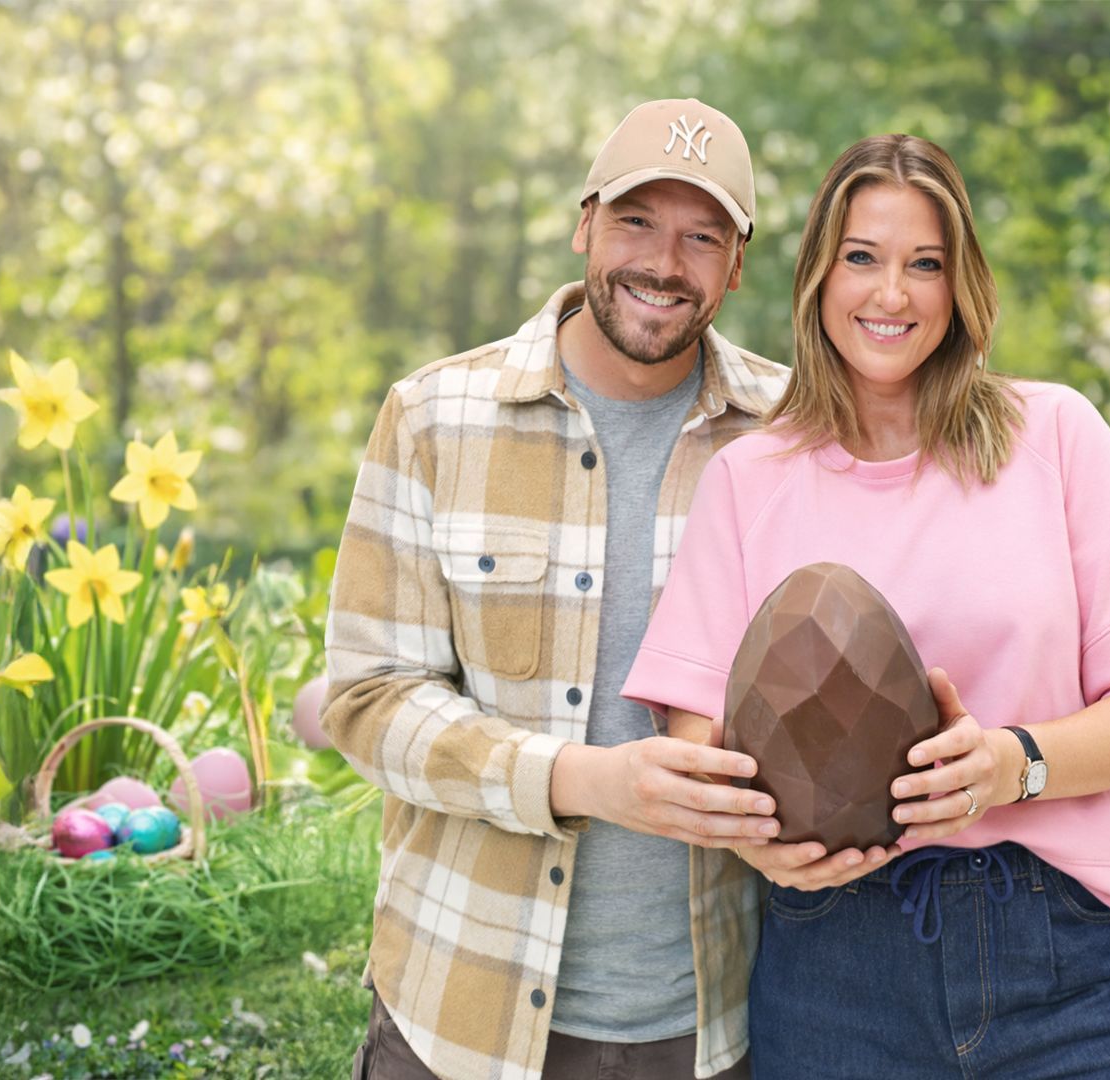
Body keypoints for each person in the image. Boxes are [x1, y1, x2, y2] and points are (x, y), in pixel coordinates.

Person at [622, 134, 1110, 1078]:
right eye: (862, 259)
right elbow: (699, 728)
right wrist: (764, 843)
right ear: (819, 278)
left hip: (1075, 953)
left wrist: (1008, 764)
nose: (891, 294)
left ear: (960, 289)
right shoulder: (749, 478)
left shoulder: (1055, 435)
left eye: (926, 265)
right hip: (838, 959)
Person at [322, 98, 790, 1080]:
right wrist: (581, 779)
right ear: (584, 223)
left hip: (709, 1026)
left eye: (701, 237)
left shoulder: (791, 435)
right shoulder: (433, 416)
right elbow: (367, 701)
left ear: (736, 265)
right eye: (635, 223)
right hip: (457, 1012)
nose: (665, 263)